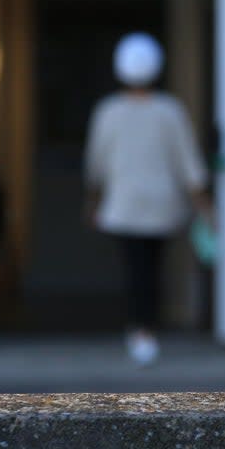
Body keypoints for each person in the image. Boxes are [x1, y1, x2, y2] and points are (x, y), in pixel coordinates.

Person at [83, 32, 211, 366]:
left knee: (134, 268)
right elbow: (189, 164)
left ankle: (139, 330)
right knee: (151, 269)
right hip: (161, 206)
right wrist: (204, 204)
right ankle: (146, 330)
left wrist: (93, 201)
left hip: (123, 205)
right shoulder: (170, 111)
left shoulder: (108, 111)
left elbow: (96, 164)